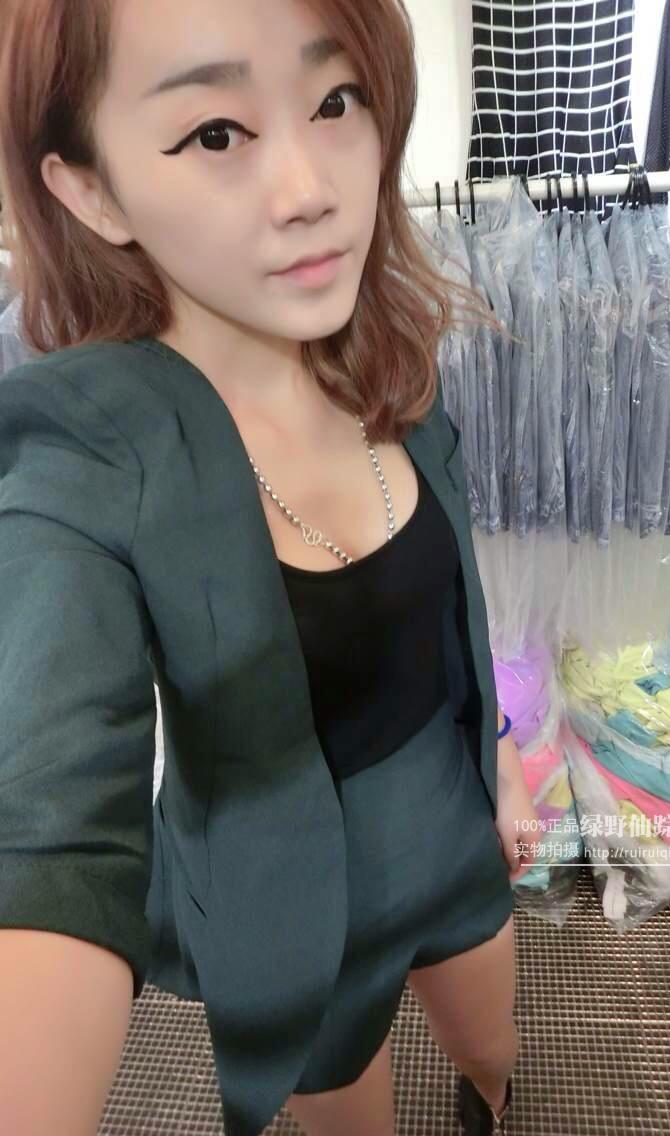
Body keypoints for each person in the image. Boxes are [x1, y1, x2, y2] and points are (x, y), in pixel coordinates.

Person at [0, 2, 539, 1135]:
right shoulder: (87, 457)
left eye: (336, 100)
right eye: (215, 133)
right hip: (292, 918)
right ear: (91, 190)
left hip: (450, 825)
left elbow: (448, 602)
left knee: (495, 1056)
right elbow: (46, 823)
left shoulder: (385, 349)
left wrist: (498, 751)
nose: (309, 189)